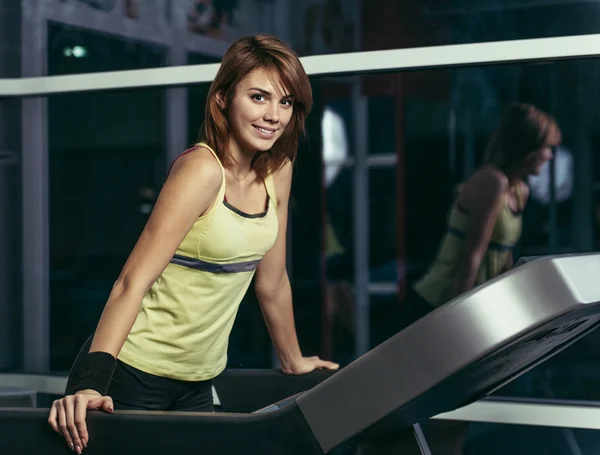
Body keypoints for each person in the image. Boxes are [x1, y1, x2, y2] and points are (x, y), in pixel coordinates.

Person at [48, 33, 339, 454]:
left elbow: (272, 282)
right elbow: (132, 282)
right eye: (258, 97)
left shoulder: (279, 169)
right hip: (130, 374)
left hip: (198, 381)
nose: (273, 115)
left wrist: (292, 360)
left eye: (286, 102)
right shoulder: (201, 170)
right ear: (222, 98)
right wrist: (91, 385)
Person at [401, 102, 561, 454]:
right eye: (547, 148)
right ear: (528, 147)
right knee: (436, 411)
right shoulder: (493, 182)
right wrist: (454, 322)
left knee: (461, 413)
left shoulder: (520, 190)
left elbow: (501, 258)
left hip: (473, 309)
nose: (550, 156)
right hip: (438, 305)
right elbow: (472, 256)